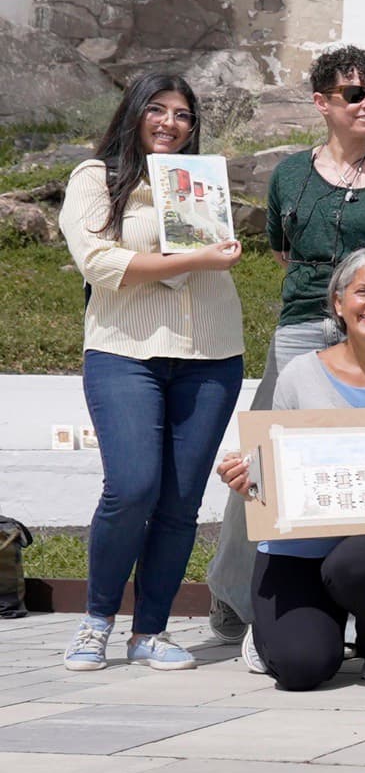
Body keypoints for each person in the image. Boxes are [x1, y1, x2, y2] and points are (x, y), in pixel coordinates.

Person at [206, 44, 365, 644]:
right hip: (304, 326)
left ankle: (359, 589)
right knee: (263, 463)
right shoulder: (288, 174)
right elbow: (283, 249)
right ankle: (235, 591)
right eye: (354, 94)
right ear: (321, 103)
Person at [58, 74, 245, 671]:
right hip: (123, 352)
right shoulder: (96, 178)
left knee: (181, 501)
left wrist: (210, 249)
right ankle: (95, 622)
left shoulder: (198, 184)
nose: (171, 123)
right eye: (158, 110)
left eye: (184, 115)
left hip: (211, 354)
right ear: (135, 113)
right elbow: (99, 260)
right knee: (132, 486)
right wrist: (195, 258)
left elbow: (210, 255)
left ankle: (151, 631)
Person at [215, 248, 365, 692]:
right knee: (303, 668)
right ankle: (279, 631)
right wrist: (246, 472)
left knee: (358, 566)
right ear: (338, 302)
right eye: (362, 291)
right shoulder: (299, 374)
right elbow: (269, 462)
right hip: (299, 550)